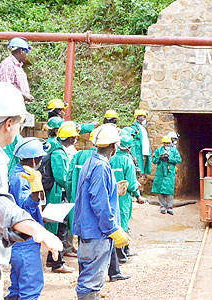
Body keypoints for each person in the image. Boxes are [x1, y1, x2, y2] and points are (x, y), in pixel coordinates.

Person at [0, 82, 62, 299]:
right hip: (21, 242)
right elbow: (0, 205)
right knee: (29, 288)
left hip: (15, 240)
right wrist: (39, 230)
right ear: (9, 124)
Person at [73, 124, 130, 300]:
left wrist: (114, 190)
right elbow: (99, 202)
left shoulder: (90, 162)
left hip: (87, 231)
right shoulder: (101, 167)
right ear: (114, 147)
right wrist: (112, 228)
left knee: (87, 277)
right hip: (97, 233)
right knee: (90, 283)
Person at [6, 138, 47, 300]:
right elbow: (25, 207)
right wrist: (35, 191)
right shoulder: (23, 177)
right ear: (34, 159)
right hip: (25, 241)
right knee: (31, 287)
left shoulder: (16, 172)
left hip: (17, 239)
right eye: (40, 158)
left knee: (16, 287)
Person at [44, 122, 79, 273]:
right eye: (74, 137)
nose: (76, 140)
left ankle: (54, 260)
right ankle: (57, 263)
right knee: (61, 228)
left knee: (59, 227)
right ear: (70, 139)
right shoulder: (58, 152)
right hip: (58, 194)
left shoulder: (54, 147)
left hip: (55, 193)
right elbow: (61, 176)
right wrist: (72, 184)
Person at [110, 134, 146, 266]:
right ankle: (121, 254)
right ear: (130, 147)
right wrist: (138, 195)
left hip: (111, 194)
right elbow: (131, 183)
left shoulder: (111, 158)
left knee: (114, 221)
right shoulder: (127, 161)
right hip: (124, 196)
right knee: (123, 222)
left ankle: (123, 250)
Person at [151, 136, 182, 215]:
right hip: (160, 173)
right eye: (165, 143)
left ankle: (169, 207)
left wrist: (170, 159)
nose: (167, 145)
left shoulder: (174, 151)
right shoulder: (158, 151)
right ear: (163, 143)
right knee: (160, 190)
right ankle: (162, 207)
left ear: (170, 143)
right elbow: (154, 161)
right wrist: (159, 157)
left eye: (168, 143)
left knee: (169, 190)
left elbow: (179, 160)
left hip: (169, 173)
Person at [0, 37, 34, 102]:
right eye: (26, 52)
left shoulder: (18, 66)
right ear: (21, 51)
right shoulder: (7, 64)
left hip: (18, 105)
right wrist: (24, 95)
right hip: (11, 106)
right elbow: (5, 88)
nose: (27, 55)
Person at [131, 109, 151, 175]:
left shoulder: (142, 128)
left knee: (142, 171)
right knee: (138, 172)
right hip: (137, 153)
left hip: (143, 153)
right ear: (138, 117)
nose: (145, 119)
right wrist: (134, 155)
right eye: (143, 117)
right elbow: (132, 142)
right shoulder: (134, 128)